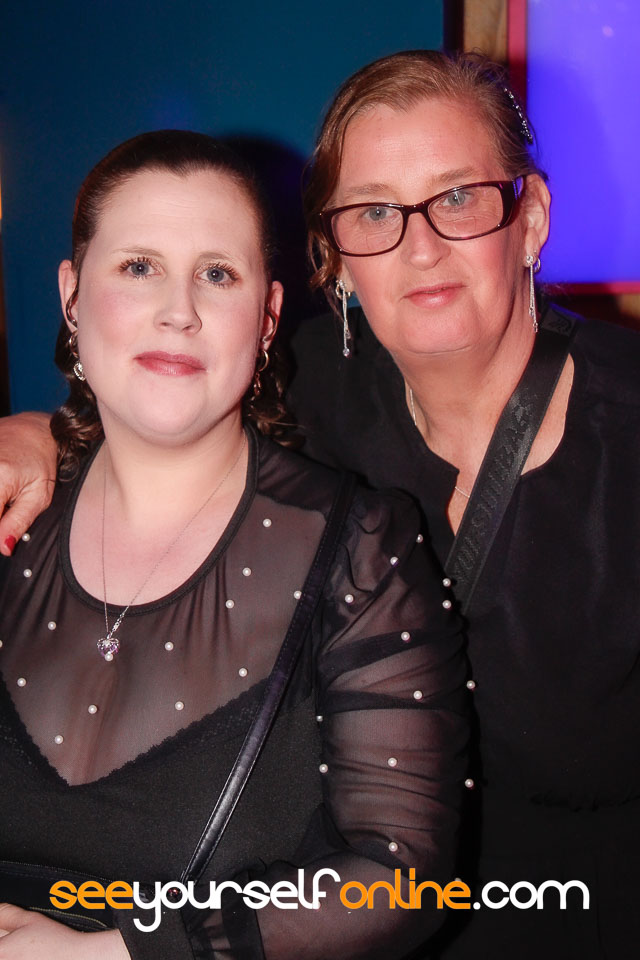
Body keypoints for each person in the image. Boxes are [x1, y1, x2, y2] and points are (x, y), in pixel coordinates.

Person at [2, 48, 639, 958]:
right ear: (335, 258)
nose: (421, 245)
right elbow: (165, 394)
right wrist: (37, 436)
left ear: (530, 218)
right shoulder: (309, 386)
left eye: (459, 197)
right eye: (375, 211)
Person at [0, 129, 467, 959]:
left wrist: (108, 954)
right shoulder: (11, 509)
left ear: (267, 317)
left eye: (217, 274)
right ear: (72, 295)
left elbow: (402, 877)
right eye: (138, 266)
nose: (178, 310)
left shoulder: (361, 550)